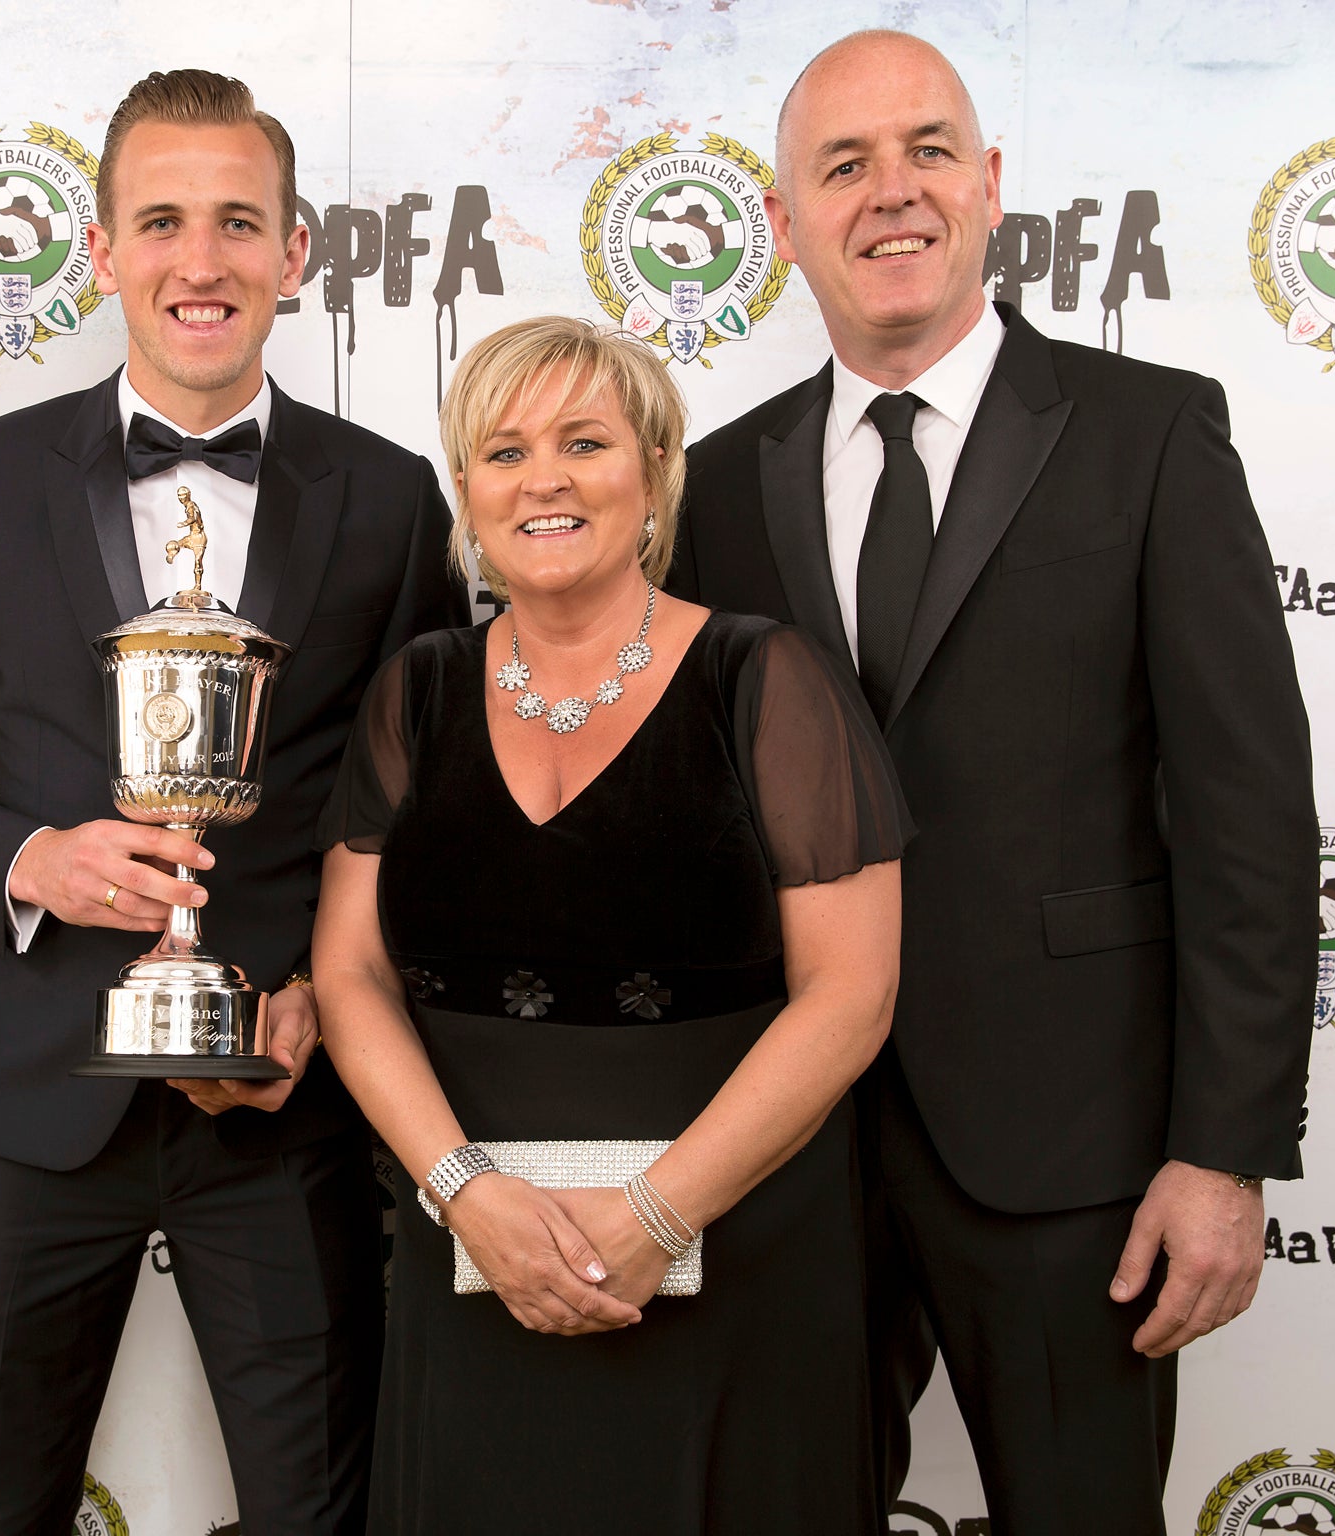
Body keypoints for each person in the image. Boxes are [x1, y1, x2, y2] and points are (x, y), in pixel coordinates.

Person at [670, 31, 1315, 1533]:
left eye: (928, 150)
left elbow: (1248, 817)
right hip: (789, 1152)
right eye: (843, 165)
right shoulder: (712, 483)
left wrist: (1223, 1152)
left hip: (1071, 1147)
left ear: (990, 185)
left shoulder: (1151, 435)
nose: (892, 194)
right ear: (780, 222)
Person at [0, 69, 464, 1535]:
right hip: (31, 1097)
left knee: (322, 1506)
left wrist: (327, 987)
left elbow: (425, 808)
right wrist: (35, 862)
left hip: (285, 1100)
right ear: (103, 249)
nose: (205, 261)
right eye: (166, 221)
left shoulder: (388, 499)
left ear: (298, 253)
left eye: (241, 223)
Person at [311, 315, 909, 1533]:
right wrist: (461, 1190)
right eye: (502, 449)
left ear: (652, 476)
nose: (543, 479)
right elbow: (349, 973)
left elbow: (850, 993)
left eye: (584, 441)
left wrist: (656, 1215)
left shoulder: (762, 678)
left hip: (735, 1263)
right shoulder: (414, 690)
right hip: (472, 1260)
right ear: (465, 492)